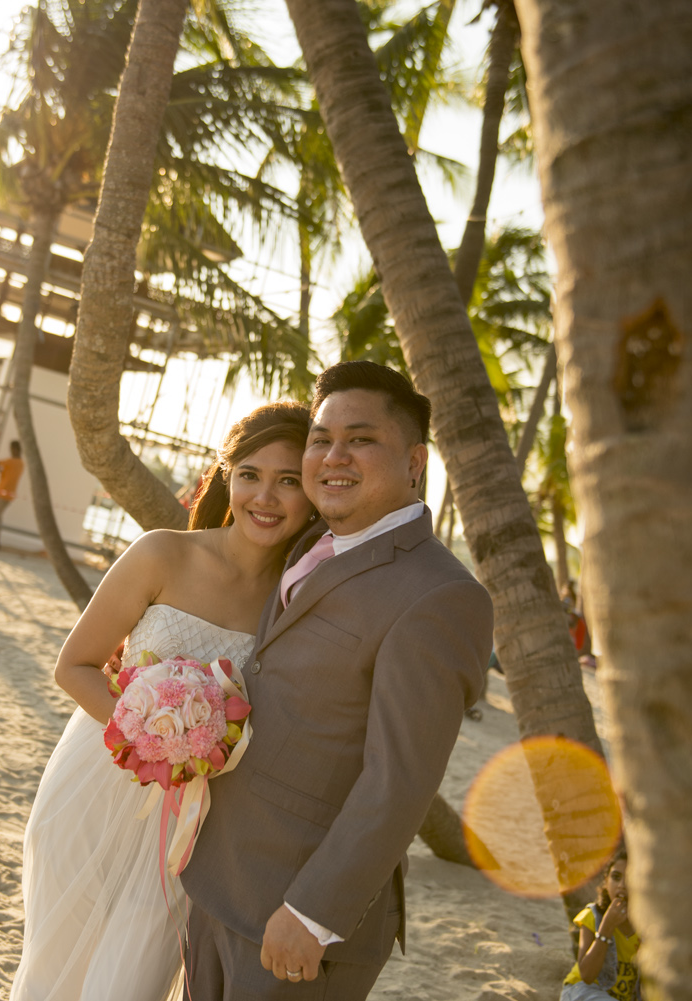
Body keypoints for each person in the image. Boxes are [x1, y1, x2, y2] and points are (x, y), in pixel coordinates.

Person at [182, 360, 495, 999]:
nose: (333, 456)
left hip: (295, 924)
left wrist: (314, 913)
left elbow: (399, 780)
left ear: (414, 461)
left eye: (361, 439)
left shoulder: (440, 595)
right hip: (216, 883)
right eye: (322, 438)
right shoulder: (307, 544)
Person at [9, 402, 318, 1001]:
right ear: (227, 474)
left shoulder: (294, 600)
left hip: (195, 815)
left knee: (131, 982)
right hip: (95, 782)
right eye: (251, 474)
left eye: (290, 481)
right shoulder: (162, 554)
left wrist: (190, 759)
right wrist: (155, 741)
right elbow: (73, 667)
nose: (266, 497)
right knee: (57, 966)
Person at [561, 851, 640, 1000]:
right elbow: (587, 976)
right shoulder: (593, 916)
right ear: (606, 880)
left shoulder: (647, 925)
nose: (622, 885)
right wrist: (607, 927)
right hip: (584, 991)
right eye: (616, 877)